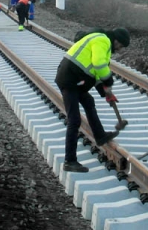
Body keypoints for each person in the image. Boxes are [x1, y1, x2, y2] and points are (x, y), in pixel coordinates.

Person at [55, 28, 131, 172]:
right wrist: (108, 81)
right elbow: (98, 64)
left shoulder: (103, 44)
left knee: (89, 102)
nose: (119, 49)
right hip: (70, 79)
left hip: (75, 79)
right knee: (74, 120)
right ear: (116, 40)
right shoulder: (103, 40)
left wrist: (106, 92)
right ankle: (69, 161)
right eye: (120, 46)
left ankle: (100, 136)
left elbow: (95, 73)